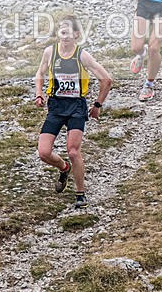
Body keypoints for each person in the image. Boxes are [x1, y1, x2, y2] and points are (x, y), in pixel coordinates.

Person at [34, 15, 112, 209]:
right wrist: (38, 94)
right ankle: (64, 168)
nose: (65, 36)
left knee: (73, 151)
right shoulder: (50, 52)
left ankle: (80, 193)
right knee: (43, 152)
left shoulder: (82, 55)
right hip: (56, 106)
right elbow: (40, 73)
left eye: (69, 33)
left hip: (76, 106)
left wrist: (97, 105)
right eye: (62, 32)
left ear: (76, 35)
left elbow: (106, 80)